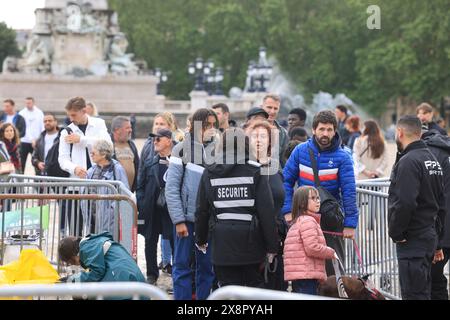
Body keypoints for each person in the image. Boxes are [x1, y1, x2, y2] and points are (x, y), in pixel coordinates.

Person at [195, 128, 279, 288]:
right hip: (251, 244)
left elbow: (202, 211)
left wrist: (201, 239)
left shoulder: (209, 172)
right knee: (255, 290)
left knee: (227, 290)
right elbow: (266, 212)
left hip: (222, 244)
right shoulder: (256, 171)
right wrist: (272, 247)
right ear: (246, 145)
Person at [282, 110, 358, 275]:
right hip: (304, 219)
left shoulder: (343, 157)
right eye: (322, 129)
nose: (325, 133)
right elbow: (286, 181)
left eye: (329, 130)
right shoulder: (300, 151)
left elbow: (349, 191)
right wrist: (288, 210)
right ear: (314, 129)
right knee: (306, 269)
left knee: (334, 271)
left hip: (331, 220)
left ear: (335, 131)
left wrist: (350, 224)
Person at [388, 115, 446, 300]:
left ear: (400, 132)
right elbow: (441, 204)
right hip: (427, 236)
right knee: (423, 291)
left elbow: (405, 202)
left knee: (414, 294)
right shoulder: (431, 159)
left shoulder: (409, 161)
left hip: (413, 239)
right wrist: (437, 238)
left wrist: (397, 233)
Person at [165, 108, 218, 300]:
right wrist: (179, 220)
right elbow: (171, 189)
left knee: (206, 268)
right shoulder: (180, 149)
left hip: (208, 222)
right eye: (207, 125)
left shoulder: (218, 150)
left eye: (214, 125)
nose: (211, 129)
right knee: (181, 266)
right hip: (186, 221)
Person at [58, 97, 111, 236]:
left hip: (98, 184)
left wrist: (82, 140)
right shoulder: (66, 131)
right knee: (76, 229)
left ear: (84, 111)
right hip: (75, 186)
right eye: (69, 115)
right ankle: (76, 257)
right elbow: (62, 159)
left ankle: (93, 256)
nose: (71, 118)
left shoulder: (99, 124)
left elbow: (108, 145)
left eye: (74, 115)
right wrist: (74, 168)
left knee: (97, 228)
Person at [247, 120, 287, 290]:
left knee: (277, 285)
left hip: (276, 235)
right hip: (252, 236)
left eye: (263, 136)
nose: (258, 140)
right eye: (255, 136)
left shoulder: (276, 168)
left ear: (270, 141)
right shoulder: (245, 168)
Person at [137, 128, 174, 285]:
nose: (155, 141)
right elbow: (140, 186)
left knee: (174, 241)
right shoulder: (149, 162)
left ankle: (178, 273)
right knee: (150, 241)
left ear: (169, 141)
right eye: (154, 139)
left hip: (171, 209)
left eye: (159, 138)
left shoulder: (178, 162)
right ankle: (152, 274)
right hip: (151, 209)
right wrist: (142, 203)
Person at [284, 186, 337, 295]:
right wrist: (330, 252)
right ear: (302, 203)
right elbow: (312, 248)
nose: (318, 201)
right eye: (313, 198)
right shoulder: (308, 221)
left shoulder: (298, 221)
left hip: (301, 275)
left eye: (318, 198)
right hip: (307, 275)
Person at [58, 232, 146, 294]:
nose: (75, 265)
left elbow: (96, 273)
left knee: (82, 293)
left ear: (73, 256)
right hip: (139, 284)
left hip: (125, 285)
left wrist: (72, 279)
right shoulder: (93, 242)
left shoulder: (87, 249)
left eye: (71, 262)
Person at [421, 127, 450, 300]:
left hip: (440, 228)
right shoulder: (444, 151)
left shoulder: (427, 153)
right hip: (443, 226)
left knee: (433, 278)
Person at [83, 140, 129, 236]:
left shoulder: (118, 170)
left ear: (103, 154)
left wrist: (111, 212)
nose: (91, 154)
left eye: (94, 152)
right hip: (91, 220)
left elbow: (125, 194)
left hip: (109, 222)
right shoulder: (91, 171)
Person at [110, 116, 139, 192]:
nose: (130, 130)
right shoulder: (108, 144)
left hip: (129, 193)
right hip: (113, 193)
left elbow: (138, 166)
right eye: (127, 128)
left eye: (130, 127)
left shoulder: (131, 144)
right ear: (117, 130)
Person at [262, 94, 289, 166]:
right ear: (262, 107)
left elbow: (283, 160)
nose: (272, 111)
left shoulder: (283, 133)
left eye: (275, 108)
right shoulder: (249, 129)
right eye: (269, 107)